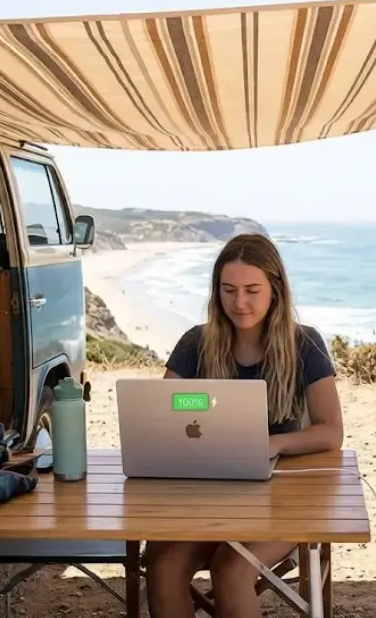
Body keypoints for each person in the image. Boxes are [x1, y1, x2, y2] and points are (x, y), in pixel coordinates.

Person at [143, 233, 344, 618]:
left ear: (276, 290)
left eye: (252, 290)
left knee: (231, 569)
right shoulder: (195, 343)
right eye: (228, 290)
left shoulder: (305, 344)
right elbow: (162, 413)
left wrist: (273, 444)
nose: (239, 303)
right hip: (205, 500)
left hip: (280, 502)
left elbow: (331, 432)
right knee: (163, 564)